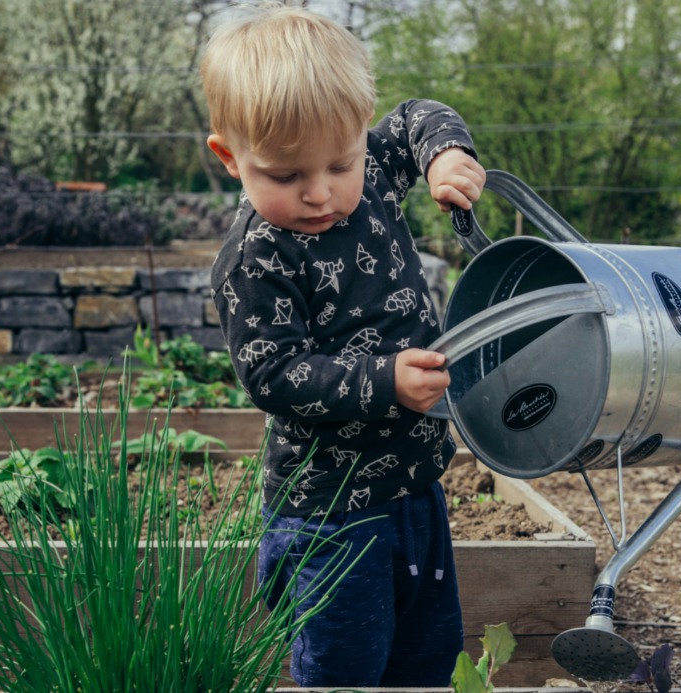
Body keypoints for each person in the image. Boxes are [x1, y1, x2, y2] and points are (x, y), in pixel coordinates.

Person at [200, 3, 486, 688]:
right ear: (229, 157)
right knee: (345, 667)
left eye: (340, 161)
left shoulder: (378, 171)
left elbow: (419, 114)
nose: (320, 192)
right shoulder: (256, 259)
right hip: (330, 515)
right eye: (285, 175)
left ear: (361, 133)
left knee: (426, 654)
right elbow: (274, 373)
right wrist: (384, 380)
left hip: (417, 486)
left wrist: (446, 153)